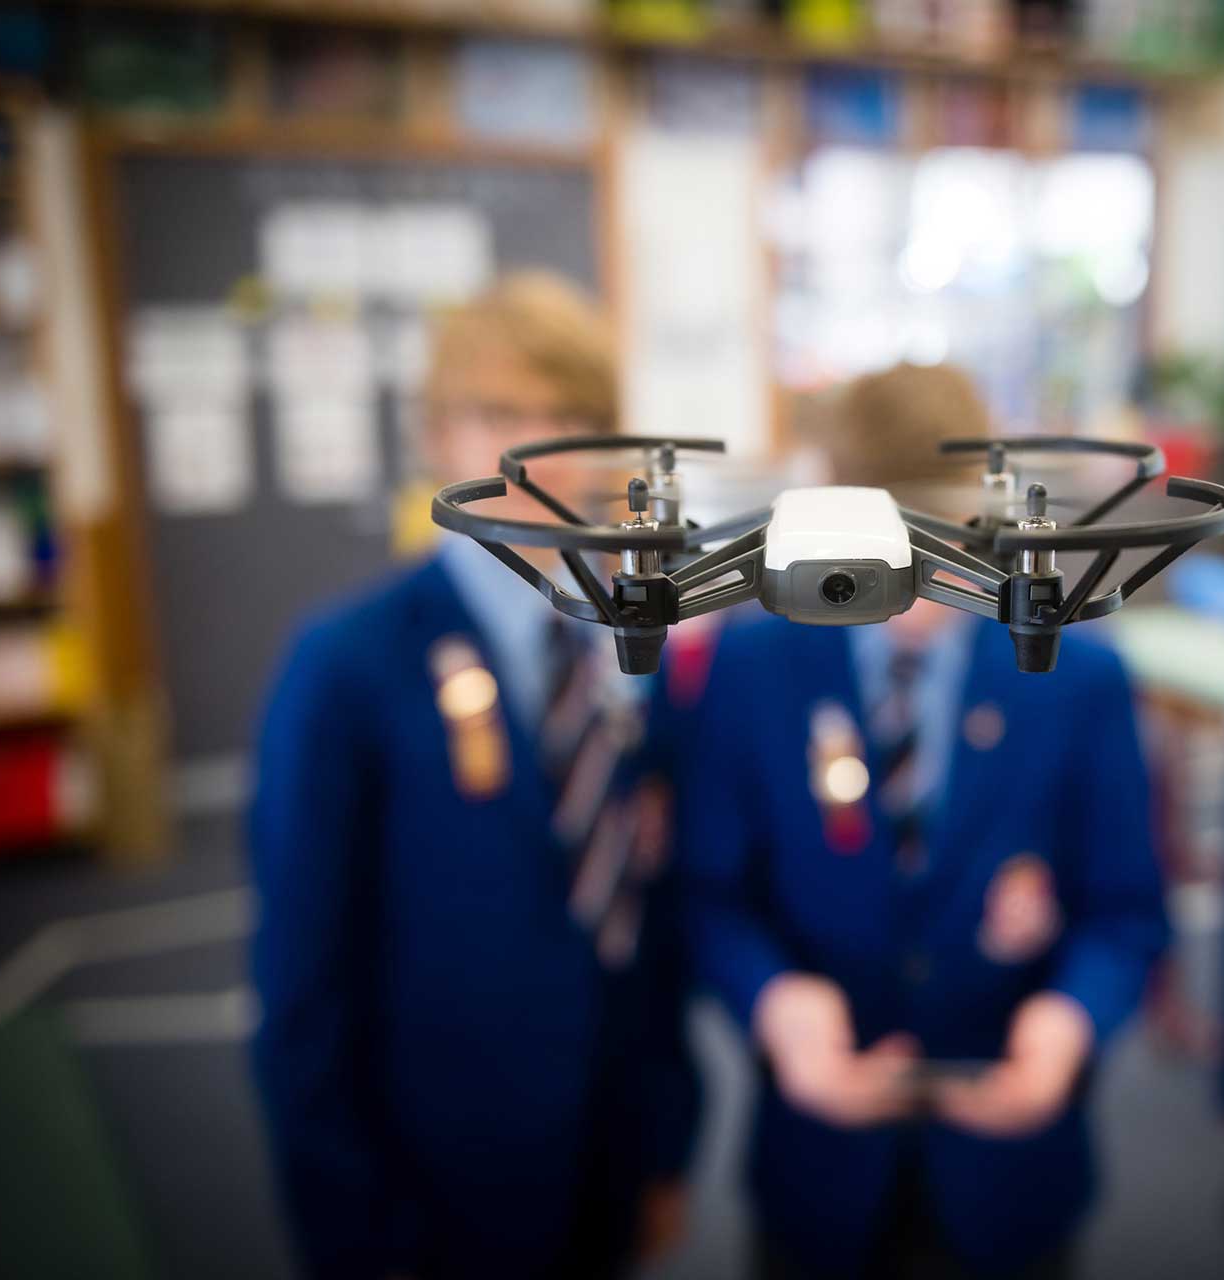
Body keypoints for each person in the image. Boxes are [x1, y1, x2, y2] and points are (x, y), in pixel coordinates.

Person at [248, 273, 698, 1280]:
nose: (538, 451)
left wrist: (664, 1143)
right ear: (441, 436)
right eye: (501, 414)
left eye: (569, 417)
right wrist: (351, 1230)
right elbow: (301, 985)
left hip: (605, 1161)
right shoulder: (347, 664)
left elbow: (648, 924)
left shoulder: (630, 652)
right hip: (424, 1192)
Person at [680, 363, 1169, 1279]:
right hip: (815, 1168)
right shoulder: (753, 666)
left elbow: (1127, 910)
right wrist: (776, 1004)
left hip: (1011, 1169)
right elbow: (710, 895)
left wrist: (1067, 1023)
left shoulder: (1077, 675)